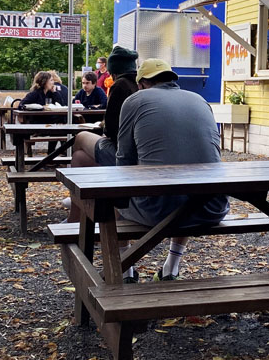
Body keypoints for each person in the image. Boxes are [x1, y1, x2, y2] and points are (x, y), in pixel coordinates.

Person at [115, 59, 228, 282]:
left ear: (142, 84)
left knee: (111, 191)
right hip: (213, 207)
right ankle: (171, 268)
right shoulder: (199, 99)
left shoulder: (134, 100)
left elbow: (124, 159)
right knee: (187, 187)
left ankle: (125, 269)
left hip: (156, 211)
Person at [65, 46, 139, 223]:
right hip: (140, 153)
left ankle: (77, 207)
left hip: (124, 153)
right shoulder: (140, 84)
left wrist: (103, 127)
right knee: (79, 158)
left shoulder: (120, 85)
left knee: (81, 138)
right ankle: (77, 210)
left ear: (113, 70)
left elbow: (112, 127)